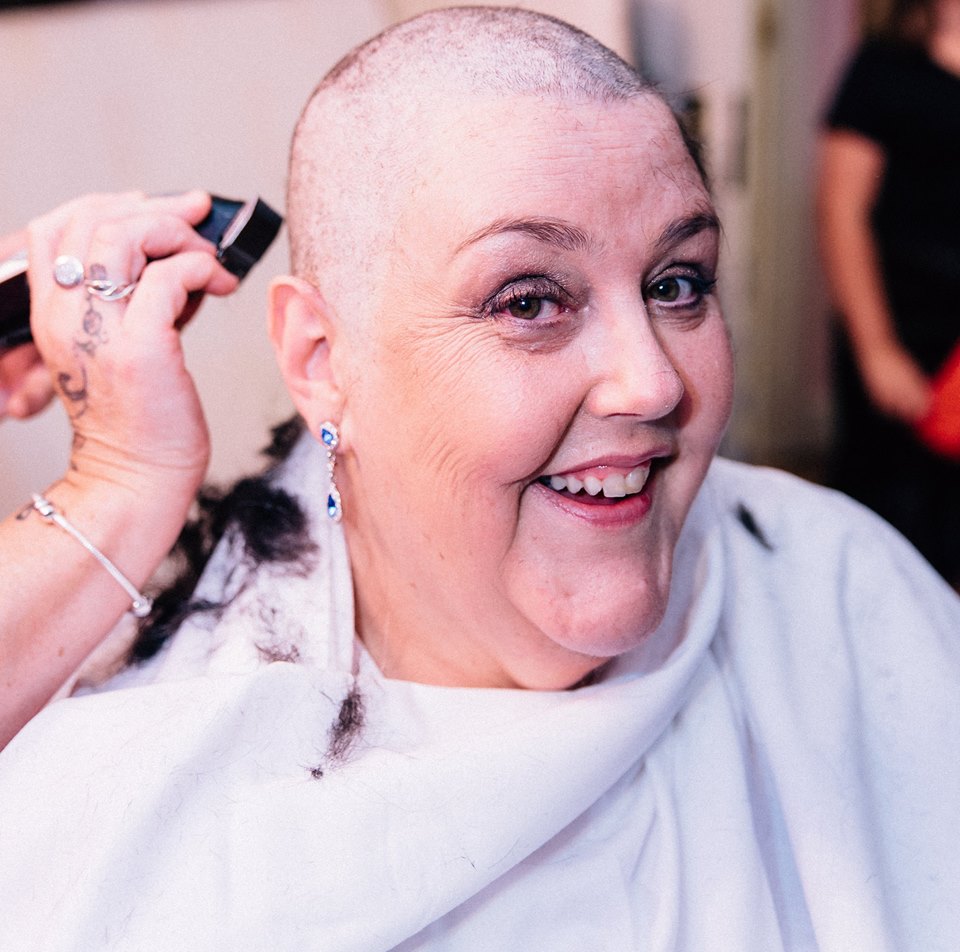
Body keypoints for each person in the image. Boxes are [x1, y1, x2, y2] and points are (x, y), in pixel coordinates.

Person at [1, 8, 959, 950]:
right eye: (530, 299)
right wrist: (125, 481)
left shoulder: (837, 586)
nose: (653, 381)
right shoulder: (158, 768)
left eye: (677, 283)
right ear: (325, 361)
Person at [818, 0, 960, 588]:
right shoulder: (885, 66)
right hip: (902, 332)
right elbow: (841, 210)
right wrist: (877, 350)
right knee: (892, 539)